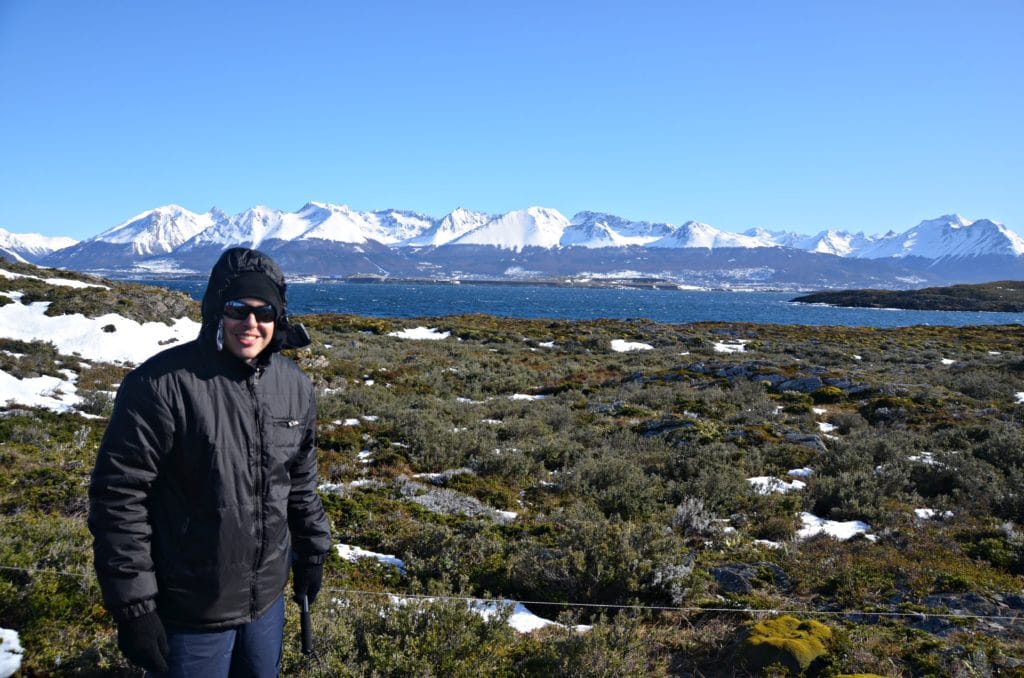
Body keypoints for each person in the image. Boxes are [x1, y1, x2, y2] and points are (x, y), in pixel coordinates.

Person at [88, 248, 332, 676]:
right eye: (238, 308)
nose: (251, 323)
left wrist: (312, 552)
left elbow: (300, 483)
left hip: (266, 604)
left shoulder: (294, 385)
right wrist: (134, 606)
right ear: (217, 310)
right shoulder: (160, 385)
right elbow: (119, 499)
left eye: (265, 311)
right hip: (190, 609)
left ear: (280, 317)